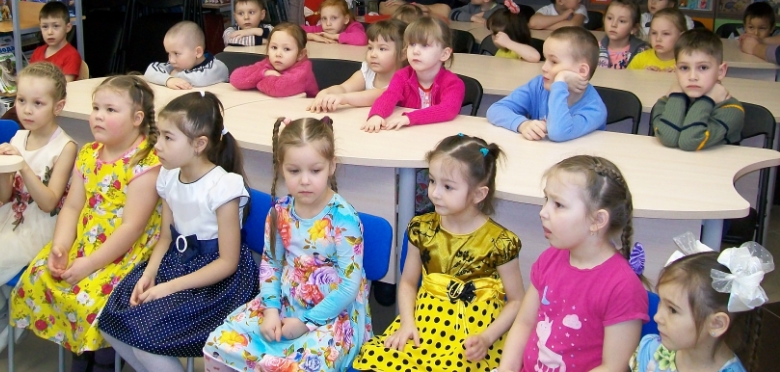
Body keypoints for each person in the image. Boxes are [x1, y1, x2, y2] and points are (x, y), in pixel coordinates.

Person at [98, 92, 259, 372]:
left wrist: (168, 288)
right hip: (175, 264)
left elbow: (227, 263)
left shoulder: (223, 188)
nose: (157, 145)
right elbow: (166, 237)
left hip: (216, 284)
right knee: (110, 322)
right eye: (158, 135)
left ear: (199, 144)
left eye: (168, 138)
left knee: (144, 339)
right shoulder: (169, 176)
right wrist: (149, 275)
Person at [9, 75, 162, 371]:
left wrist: (89, 264)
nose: (98, 116)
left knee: (92, 298)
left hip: (127, 253)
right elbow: (72, 207)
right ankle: (80, 351)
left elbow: (132, 228)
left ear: (137, 119)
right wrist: (61, 246)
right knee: (42, 275)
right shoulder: (89, 153)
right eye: (96, 108)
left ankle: (103, 358)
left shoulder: (145, 163)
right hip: (87, 241)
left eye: (110, 110)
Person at [203, 117, 370, 372]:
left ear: (331, 166)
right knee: (220, 343)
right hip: (285, 301)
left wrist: (305, 323)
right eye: (294, 171)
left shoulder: (344, 218)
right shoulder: (279, 211)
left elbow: (349, 286)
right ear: (281, 167)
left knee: (299, 366)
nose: (305, 180)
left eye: (315, 171)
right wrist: (271, 310)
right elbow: (271, 265)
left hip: (333, 312)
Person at [353, 134, 525, 372]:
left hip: (473, 336)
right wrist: (407, 323)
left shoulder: (500, 242)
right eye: (432, 181)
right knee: (379, 359)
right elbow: (408, 283)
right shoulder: (422, 229)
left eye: (448, 187)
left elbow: (516, 300)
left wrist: (487, 338)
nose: (434, 193)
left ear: (478, 194)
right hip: (424, 326)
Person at [496, 155, 649, 372]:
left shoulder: (622, 287)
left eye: (558, 205)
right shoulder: (550, 258)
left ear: (597, 220)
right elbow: (524, 323)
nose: (543, 212)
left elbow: (613, 367)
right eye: (546, 199)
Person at [0, 63, 76, 356]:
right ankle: (3, 312)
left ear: (58, 106)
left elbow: (48, 203)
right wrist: (5, 168)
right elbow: (4, 196)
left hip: (41, 225)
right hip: (11, 215)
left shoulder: (66, 147)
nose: (27, 110)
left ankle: (9, 309)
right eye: (21, 100)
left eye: (38, 103)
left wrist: (21, 164)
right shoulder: (18, 137)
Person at [630, 232, 774, 372]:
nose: (657, 317)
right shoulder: (651, 351)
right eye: (661, 302)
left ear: (717, 324)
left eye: (672, 310)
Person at [487, 26, 607, 142]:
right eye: (545, 59)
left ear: (581, 71)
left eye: (554, 62)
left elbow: (558, 132)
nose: (544, 67)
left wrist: (560, 81)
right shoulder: (539, 85)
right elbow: (495, 109)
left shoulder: (595, 110)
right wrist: (522, 124)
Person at [362, 17, 464, 132]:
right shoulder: (401, 76)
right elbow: (389, 96)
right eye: (412, 44)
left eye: (424, 45)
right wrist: (376, 114)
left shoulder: (453, 83)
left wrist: (410, 118)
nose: (415, 51)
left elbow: (448, 109)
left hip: (439, 134)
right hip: (409, 135)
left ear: (444, 54)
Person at [652, 29, 744, 151]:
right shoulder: (665, 102)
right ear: (676, 71)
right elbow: (668, 139)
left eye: (703, 67)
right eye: (684, 68)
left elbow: (690, 141)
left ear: (721, 71)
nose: (692, 77)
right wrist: (677, 96)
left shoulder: (731, 109)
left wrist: (707, 100)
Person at [308, 19, 407, 113]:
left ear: (403, 55)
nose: (373, 54)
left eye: (382, 49)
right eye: (370, 48)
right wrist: (326, 92)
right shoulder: (368, 71)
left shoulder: (405, 79)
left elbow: (377, 96)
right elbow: (344, 88)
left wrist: (344, 98)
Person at [229, 23, 318, 97]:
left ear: (301, 54)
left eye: (286, 49)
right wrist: (264, 73)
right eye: (274, 47)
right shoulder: (269, 63)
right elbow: (235, 78)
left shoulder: (303, 71)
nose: (278, 54)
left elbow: (277, 88)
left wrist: (256, 81)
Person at [144, 21, 229, 89]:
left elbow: (199, 79)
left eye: (176, 53)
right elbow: (149, 71)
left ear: (198, 52)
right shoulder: (176, 65)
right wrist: (168, 80)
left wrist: (173, 75)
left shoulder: (217, 67)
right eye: (169, 54)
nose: (171, 60)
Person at [31, 1, 82, 82]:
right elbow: (30, 78)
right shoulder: (37, 52)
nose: (50, 32)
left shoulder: (72, 55)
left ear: (68, 27)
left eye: (56, 26)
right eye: (45, 27)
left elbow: (65, 84)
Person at [628, 8, 687, 72]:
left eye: (666, 33)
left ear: (681, 36)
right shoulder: (640, 59)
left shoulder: (688, 62)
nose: (658, 39)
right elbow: (626, 77)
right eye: (654, 33)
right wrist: (643, 75)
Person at [598, 0, 648, 69]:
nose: (613, 24)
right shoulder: (595, 49)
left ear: (634, 28)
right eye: (609, 18)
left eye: (622, 21)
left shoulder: (642, 52)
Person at [302, 0, 368, 46]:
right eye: (324, 18)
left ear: (346, 19)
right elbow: (297, 30)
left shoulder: (353, 26)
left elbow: (362, 39)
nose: (328, 23)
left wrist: (334, 37)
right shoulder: (322, 29)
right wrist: (310, 36)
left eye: (334, 18)